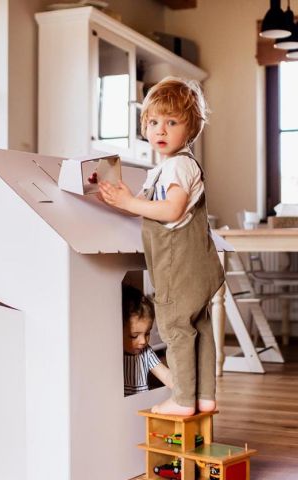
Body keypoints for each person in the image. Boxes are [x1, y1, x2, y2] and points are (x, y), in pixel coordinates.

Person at [98, 77, 224, 416]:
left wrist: (129, 203)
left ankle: (183, 400)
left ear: (191, 128)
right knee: (200, 328)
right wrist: (121, 199)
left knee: (176, 330)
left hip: (180, 268)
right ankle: (205, 396)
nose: (160, 130)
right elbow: (142, 204)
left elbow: (172, 209)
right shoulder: (163, 169)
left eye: (171, 122)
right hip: (198, 268)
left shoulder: (179, 165)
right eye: (153, 122)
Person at [122, 284, 172, 396]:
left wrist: (184, 389)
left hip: (140, 406)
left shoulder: (146, 352)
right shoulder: (114, 354)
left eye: (147, 333)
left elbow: (165, 375)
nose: (143, 341)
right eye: (134, 336)